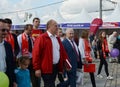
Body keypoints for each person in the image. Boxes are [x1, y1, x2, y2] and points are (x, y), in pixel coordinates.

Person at [32, 19, 71, 87]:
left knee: (51, 84)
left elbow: (62, 52)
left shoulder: (57, 38)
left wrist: (67, 63)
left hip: (55, 67)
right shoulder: (42, 38)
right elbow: (36, 54)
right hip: (46, 68)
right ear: (49, 26)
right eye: (55, 26)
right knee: (49, 84)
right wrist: (37, 68)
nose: (57, 27)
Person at [0, 19, 16, 87]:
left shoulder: (8, 46)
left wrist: (14, 81)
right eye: (3, 30)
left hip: (7, 78)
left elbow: (11, 65)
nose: (6, 32)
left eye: (7, 30)